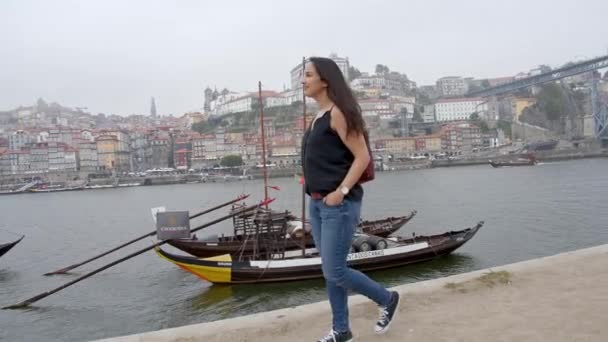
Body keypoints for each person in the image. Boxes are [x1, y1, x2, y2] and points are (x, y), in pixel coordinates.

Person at [301, 57, 400, 342]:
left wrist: (340, 191)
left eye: (308, 75)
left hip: (339, 204)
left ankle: (387, 298)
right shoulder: (317, 117)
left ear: (326, 80)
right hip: (318, 203)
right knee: (331, 271)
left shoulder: (338, 113)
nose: (303, 80)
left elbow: (362, 157)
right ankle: (341, 330)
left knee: (335, 270)